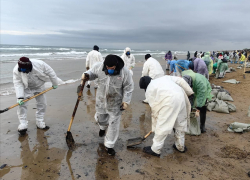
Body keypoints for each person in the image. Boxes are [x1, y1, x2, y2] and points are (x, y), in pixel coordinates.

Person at [81, 54, 134, 156]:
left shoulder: (124, 72)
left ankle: (109, 145)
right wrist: (86, 75)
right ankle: (102, 127)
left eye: (112, 68)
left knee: (114, 124)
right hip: (101, 100)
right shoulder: (99, 67)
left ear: (116, 65)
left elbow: (129, 87)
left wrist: (126, 101)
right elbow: (92, 72)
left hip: (116, 102)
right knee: (101, 118)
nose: (109, 70)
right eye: (108, 68)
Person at [139, 76, 194, 157]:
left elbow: (155, 110)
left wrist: (156, 125)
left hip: (168, 101)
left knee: (162, 126)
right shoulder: (164, 78)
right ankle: (180, 146)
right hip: (181, 97)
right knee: (180, 123)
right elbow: (181, 80)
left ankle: (155, 149)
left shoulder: (149, 90)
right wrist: (190, 92)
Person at [13, 57, 58, 135]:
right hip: (26, 87)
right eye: (21, 70)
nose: (23, 71)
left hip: (39, 86)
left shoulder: (40, 64)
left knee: (42, 104)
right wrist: (20, 97)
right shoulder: (16, 70)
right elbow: (18, 83)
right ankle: (23, 124)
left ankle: (40, 121)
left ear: (29, 66)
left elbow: (51, 72)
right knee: (22, 105)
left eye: (25, 70)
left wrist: (55, 83)